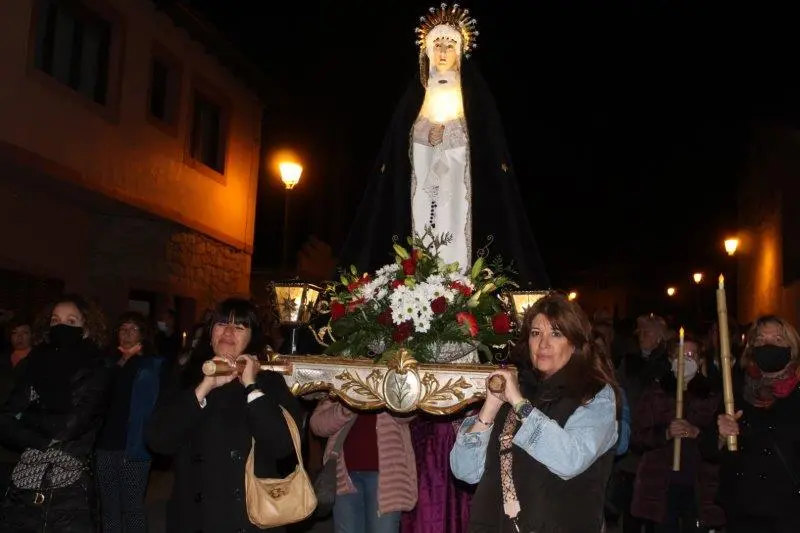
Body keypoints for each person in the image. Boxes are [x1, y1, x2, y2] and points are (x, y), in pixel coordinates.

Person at [450, 292, 620, 532]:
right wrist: (490, 408)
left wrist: (520, 405)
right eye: (536, 333)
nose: (543, 344)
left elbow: (570, 458)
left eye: (556, 334)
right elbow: (465, 471)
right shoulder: (519, 387)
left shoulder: (595, 394)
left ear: (575, 343)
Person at [145, 297, 304, 532]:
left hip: (248, 519)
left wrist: (251, 387)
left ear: (252, 338)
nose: (229, 331)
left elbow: (282, 447)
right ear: (210, 334)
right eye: (221, 324)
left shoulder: (269, 383)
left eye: (240, 326)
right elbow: (158, 440)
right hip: (195, 519)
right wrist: (203, 388)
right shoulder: (186, 377)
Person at [0, 294, 111, 532]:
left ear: (86, 329)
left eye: (71, 322)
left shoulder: (96, 370)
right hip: (25, 483)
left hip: (68, 489)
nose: (61, 326)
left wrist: (27, 416)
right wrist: (43, 438)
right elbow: (6, 419)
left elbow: (68, 427)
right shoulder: (35, 364)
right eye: (55, 320)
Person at [707, 315, 800, 533]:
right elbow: (708, 448)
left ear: (792, 348)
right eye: (761, 340)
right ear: (751, 348)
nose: (768, 345)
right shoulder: (736, 392)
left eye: (777, 340)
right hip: (744, 509)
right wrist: (720, 436)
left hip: (790, 512)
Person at [631, 331, 723, 533]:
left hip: (698, 488)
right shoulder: (655, 393)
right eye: (680, 356)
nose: (685, 361)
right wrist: (664, 433)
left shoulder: (712, 396)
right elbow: (637, 438)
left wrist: (697, 433)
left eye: (691, 356)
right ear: (671, 359)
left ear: (699, 361)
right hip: (661, 488)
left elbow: (720, 444)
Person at [95, 311, 163, 533]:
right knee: (109, 507)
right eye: (123, 329)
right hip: (106, 443)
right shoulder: (107, 363)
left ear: (143, 334)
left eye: (133, 329)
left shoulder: (150, 365)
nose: (127, 334)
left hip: (134, 445)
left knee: (132, 506)